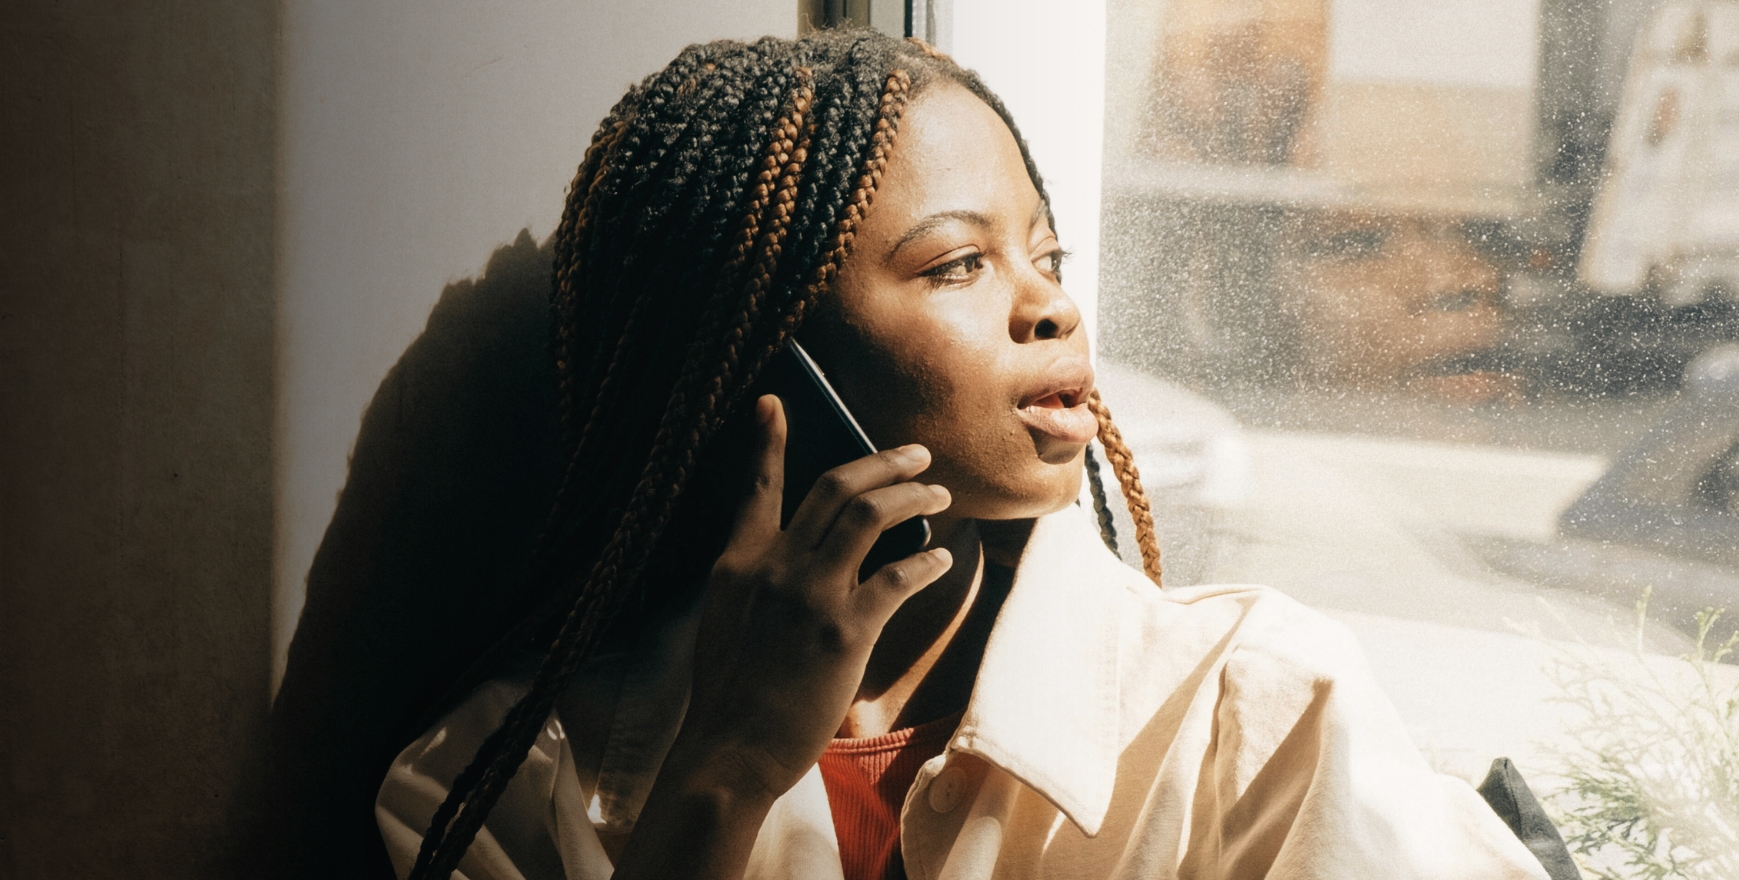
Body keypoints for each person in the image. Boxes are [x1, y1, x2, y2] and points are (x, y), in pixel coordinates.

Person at [356, 30, 1549, 880]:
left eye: (1047, 257)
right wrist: (723, 776)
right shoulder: (498, 779)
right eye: (958, 264)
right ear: (765, 365)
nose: (1050, 307)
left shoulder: (1257, 710)